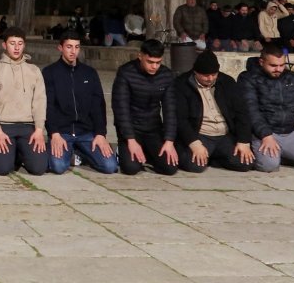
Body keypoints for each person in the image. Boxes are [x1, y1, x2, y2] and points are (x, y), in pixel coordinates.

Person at [241, 44, 294, 172]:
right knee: (269, 165)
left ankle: (284, 155)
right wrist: (265, 135)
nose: (279, 69)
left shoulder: (292, 78)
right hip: (264, 133)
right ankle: (274, 155)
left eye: (282, 65)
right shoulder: (248, 78)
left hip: (290, 132)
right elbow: (251, 109)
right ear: (261, 62)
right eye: (273, 66)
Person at [43, 31, 116, 175]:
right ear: (60, 48)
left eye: (77, 47)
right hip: (62, 132)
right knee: (58, 167)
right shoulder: (49, 72)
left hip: (86, 132)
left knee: (110, 166)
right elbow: (48, 106)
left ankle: (80, 153)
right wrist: (54, 133)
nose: (73, 51)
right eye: (69, 47)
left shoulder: (89, 73)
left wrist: (100, 134)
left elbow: (98, 105)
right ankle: (68, 151)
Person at [0, 28, 48, 176]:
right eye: (12, 43)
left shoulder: (34, 70)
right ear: (4, 45)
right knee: (3, 169)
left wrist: (39, 130)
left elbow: (39, 101)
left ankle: (19, 151)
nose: (17, 47)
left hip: (28, 127)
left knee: (39, 168)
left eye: (20, 43)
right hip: (5, 127)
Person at [175, 51, 254, 172]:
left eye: (214, 74)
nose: (210, 78)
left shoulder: (227, 82)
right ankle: (208, 155)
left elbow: (242, 113)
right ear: (195, 72)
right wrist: (194, 143)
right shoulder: (182, 84)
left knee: (245, 163)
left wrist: (243, 141)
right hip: (200, 134)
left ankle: (215, 158)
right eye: (205, 75)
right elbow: (181, 119)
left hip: (224, 134)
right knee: (195, 166)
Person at [112, 40, 178, 175]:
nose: (154, 66)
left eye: (158, 62)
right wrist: (130, 139)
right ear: (140, 56)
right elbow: (120, 108)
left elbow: (170, 109)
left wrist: (169, 140)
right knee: (131, 168)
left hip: (153, 129)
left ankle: (148, 153)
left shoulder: (166, 75)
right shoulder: (126, 73)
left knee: (170, 168)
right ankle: (123, 151)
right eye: (150, 62)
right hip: (131, 129)